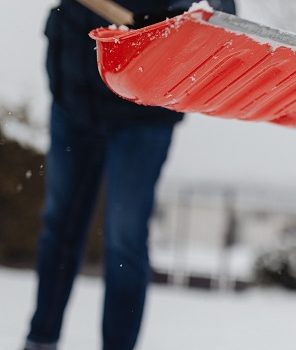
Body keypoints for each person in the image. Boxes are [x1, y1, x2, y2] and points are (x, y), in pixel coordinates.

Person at [25, 1, 235, 349]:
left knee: (125, 236)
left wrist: (187, 12)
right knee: (59, 225)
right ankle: (40, 339)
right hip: (75, 91)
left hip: (144, 106)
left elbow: (221, 7)